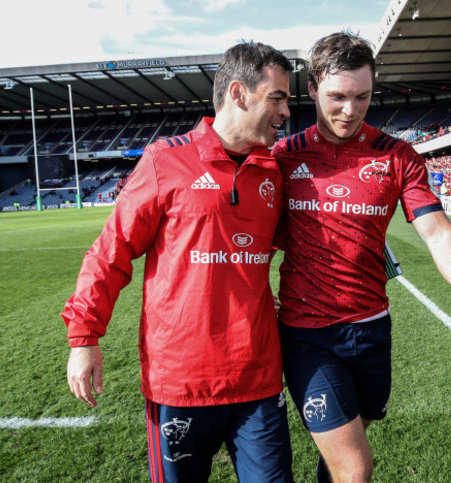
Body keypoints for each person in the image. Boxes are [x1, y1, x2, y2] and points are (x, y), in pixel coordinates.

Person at [272, 31, 451, 483]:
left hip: (373, 329)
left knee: (345, 449)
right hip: (307, 335)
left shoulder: (397, 156)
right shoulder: (284, 155)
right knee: (356, 469)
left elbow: (436, 231)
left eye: (362, 97)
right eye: (337, 97)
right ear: (312, 90)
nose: (349, 109)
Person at [62, 41, 294, 483]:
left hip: (259, 378)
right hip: (182, 382)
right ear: (240, 93)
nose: (285, 111)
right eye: (277, 98)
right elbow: (111, 252)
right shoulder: (165, 160)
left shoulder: (273, 173)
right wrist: (84, 337)